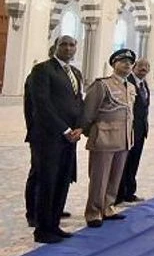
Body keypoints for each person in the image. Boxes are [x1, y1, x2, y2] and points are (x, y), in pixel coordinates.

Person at [28, 35, 85, 243]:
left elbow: (79, 101)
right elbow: (42, 104)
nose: (68, 48)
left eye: (72, 45)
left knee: (63, 181)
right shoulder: (42, 70)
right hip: (49, 137)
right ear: (55, 47)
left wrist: (80, 127)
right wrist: (64, 129)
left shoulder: (75, 73)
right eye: (64, 44)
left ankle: (54, 225)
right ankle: (42, 230)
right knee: (47, 182)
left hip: (70, 138)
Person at [82, 49, 137, 228]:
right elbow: (89, 111)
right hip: (104, 138)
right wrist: (89, 131)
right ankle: (93, 212)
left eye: (130, 62)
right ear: (113, 64)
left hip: (124, 138)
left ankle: (108, 206)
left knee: (115, 176)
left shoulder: (131, 87)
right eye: (122, 61)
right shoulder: (102, 85)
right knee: (99, 178)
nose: (127, 64)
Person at [117, 58, 151, 204]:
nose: (144, 68)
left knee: (134, 162)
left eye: (147, 66)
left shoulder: (144, 84)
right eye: (141, 66)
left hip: (140, 131)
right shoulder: (127, 82)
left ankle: (129, 192)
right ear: (134, 67)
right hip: (129, 130)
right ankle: (118, 194)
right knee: (123, 164)